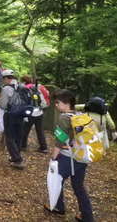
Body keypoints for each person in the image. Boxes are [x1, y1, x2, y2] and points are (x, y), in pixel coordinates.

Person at [45, 89, 94, 222]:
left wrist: (54, 156)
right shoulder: (79, 115)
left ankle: (58, 207)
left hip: (68, 156)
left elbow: (60, 139)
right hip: (82, 157)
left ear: (66, 103)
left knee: (55, 178)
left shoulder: (64, 117)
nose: (56, 105)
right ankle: (87, 216)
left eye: (57, 102)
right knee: (78, 186)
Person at [0, 69, 25, 169]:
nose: (3, 80)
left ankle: (17, 160)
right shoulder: (21, 86)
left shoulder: (6, 89)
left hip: (10, 115)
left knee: (9, 137)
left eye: (3, 78)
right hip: (21, 114)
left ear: (6, 78)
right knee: (18, 136)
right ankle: (15, 156)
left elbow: (3, 105)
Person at [20, 75, 48, 154]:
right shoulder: (36, 87)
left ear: (24, 81)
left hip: (31, 113)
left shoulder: (25, 88)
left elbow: (24, 101)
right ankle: (44, 147)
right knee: (40, 131)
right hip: (40, 112)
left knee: (25, 129)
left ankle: (23, 145)